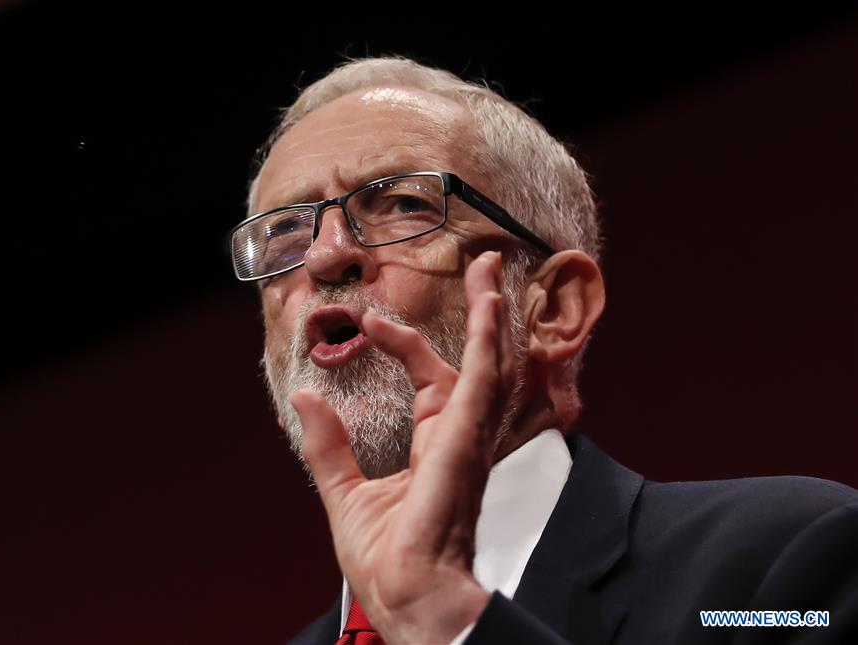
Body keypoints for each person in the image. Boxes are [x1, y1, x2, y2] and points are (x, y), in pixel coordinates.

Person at [229, 56, 858, 644]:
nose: (325, 255)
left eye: (402, 204)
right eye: (285, 231)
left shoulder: (785, 562)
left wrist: (444, 617)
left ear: (555, 308)